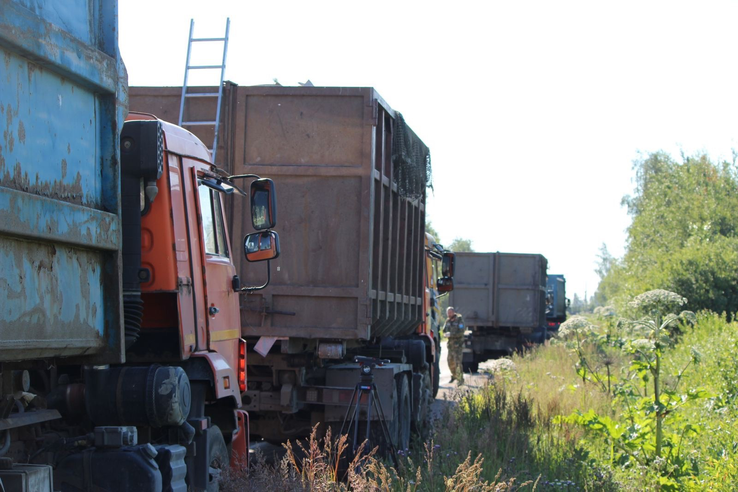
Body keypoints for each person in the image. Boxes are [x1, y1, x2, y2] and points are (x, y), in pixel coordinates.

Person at [443, 306, 465, 384]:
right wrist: (445, 334)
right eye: (447, 313)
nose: (449, 314)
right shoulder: (448, 321)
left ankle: (460, 379)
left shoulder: (459, 320)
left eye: (450, 312)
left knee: (458, 363)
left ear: (453, 312)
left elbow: (461, 332)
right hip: (450, 346)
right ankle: (454, 375)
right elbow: (444, 330)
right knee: (450, 362)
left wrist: (451, 334)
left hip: (458, 346)